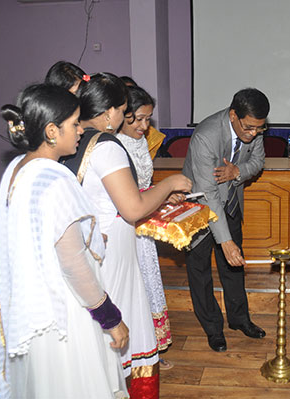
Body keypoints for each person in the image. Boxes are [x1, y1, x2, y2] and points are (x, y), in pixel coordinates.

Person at [0, 84, 129, 398]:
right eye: (75, 123)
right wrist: (110, 317)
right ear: (52, 130)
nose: (81, 130)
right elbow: (72, 263)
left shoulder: (17, 167)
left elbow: (39, 233)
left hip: (32, 303)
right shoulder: (53, 179)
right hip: (64, 309)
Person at [62, 72, 192, 397]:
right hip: (113, 250)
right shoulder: (107, 147)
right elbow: (132, 208)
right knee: (125, 320)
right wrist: (170, 183)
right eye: (122, 109)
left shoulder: (73, 143)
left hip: (89, 246)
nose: (124, 117)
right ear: (108, 111)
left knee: (98, 329)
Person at [182, 88, 269, 352]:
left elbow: (258, 162)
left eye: (260, 129)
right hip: (198, 206)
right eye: (250, 128)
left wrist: (237, 171)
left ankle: (239, 319)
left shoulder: (253, 129)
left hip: (230, 203)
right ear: (233, 115)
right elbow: (208, 194)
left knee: (233, 267)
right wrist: (226, 240)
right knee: (200, 272)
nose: (254, 134)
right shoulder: (206, 136)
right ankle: (212, 327)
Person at [117, 86, 173, 368]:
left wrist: (163, 194)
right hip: (123, 227)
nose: (144, 126)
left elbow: (144, 186)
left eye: (148, 119)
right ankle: (127, 353)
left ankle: (150, 348)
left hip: (142, 227)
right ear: (120, 116)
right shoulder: (112, 147)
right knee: (130, 288)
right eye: (137, 119)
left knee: (147, 285)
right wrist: (165, 188)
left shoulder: (140, 142)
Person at [120, 76, 166, 159]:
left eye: (148, 119)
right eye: (139, 119)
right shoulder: (110, 147)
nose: (145, 127)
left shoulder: (142, 142)